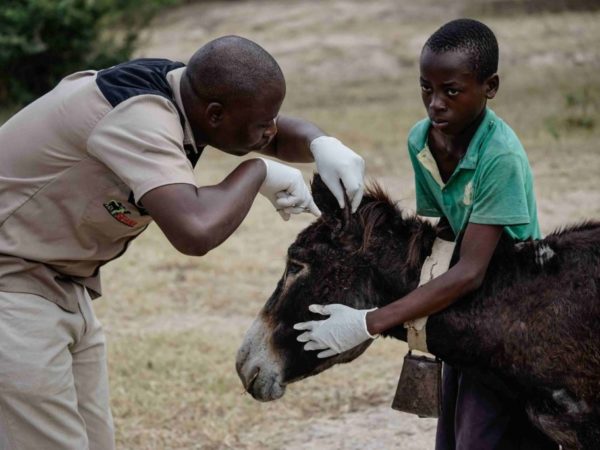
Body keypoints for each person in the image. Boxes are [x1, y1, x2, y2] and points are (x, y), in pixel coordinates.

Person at [0, 35, 365, 449]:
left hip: (58, 287)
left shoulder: (184, 90)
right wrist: (257, 172)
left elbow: (269, 135)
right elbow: (194, 230)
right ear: (213, 114)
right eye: (264, 123)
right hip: (12, 288)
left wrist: (322, 144)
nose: (271, 131)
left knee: (93, 440)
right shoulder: (139, 117)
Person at [294, 19, 559, 449]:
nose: (435, 104)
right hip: (467, 304)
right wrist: (425, 325)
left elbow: (473, 270)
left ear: (490, 87)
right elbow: (445, 233)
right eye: (426, 88)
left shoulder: (500, 156)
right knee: (451, 436)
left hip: (514, 303)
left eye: (451, 91)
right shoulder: (422, 141)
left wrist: (369, 322)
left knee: (481, 434)